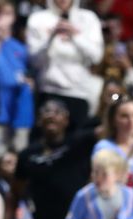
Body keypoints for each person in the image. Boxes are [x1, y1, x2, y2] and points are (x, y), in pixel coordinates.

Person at [15, 99, 96, 219]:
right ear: (39, 119)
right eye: (47, 111)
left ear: (66, 120)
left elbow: (105, 130)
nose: (51, 115)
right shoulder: (27, 154)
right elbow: (15, 192)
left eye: (58, 112)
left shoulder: (79, 144)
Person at [26, 0, 104, 130]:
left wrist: (74, 35)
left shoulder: (88, 18)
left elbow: (96, 57)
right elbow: (34, 60)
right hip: (48, 91)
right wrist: (51, 37)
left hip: (79, 92)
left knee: (76, 145)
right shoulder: (37, 19)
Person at [0, 0, 34, 156]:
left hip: (19, 117)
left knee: (16, 165)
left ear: (13, 17)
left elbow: (23, 78)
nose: (1, 19)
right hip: (0, 116)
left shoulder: (19, 48)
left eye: (6, 14)